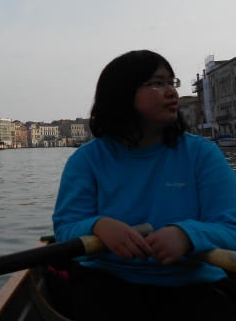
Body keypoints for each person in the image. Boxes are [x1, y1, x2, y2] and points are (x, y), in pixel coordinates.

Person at [52, 50, 236, 321]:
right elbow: (65, 229)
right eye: (157, 83)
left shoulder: (202, 154)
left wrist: (187, 235)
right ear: (123, 94)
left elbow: (230, 226)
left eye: (172, 83)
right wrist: (98, 226)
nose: (171, 92)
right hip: (108, 278)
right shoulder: (87, 160)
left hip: (194, 281)